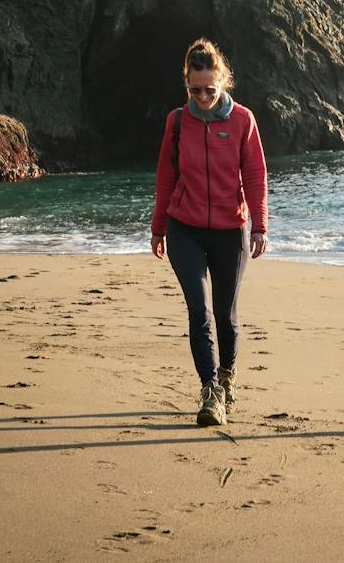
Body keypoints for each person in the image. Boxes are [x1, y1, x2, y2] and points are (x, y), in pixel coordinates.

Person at [150, 38, 268, 427]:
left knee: (225, 314)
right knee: (199, 311)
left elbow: (254, 175)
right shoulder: (178, 121)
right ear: (186, 84)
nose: (202, 96)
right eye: (194, 89)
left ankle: (228, 376)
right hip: (185, 228)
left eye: (209, 89)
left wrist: (260, 226)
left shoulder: (242, 121)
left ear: (223, 83)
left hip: (230, 231)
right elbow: (167, 174)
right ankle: (210, 390)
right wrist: (159, 227)